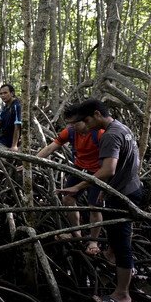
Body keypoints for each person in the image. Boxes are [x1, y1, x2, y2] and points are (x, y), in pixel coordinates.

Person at [57, 99, 144, 302]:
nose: (85, 126)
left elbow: (108, 170)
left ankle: (122, 294)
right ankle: (111, 257)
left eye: (86, 120)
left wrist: (78, 187)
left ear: (97, 114)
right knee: (118, 236)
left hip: (123, 194)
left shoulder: (110, 135)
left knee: (121, 241)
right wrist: (107, 189)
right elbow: (131, 162)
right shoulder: (122, 128)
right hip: (130, 189)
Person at [28, 103, 104, 256]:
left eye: (76, 122)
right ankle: (77, 234)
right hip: (79, 168)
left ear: (86, 119)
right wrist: (29, 163)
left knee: (94, 206)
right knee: (68, 199)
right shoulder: (70, 132)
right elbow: (50, 148)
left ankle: (93, 241)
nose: (72, 126)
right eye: (70, 123)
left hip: (98, 172)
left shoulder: (100, 133)